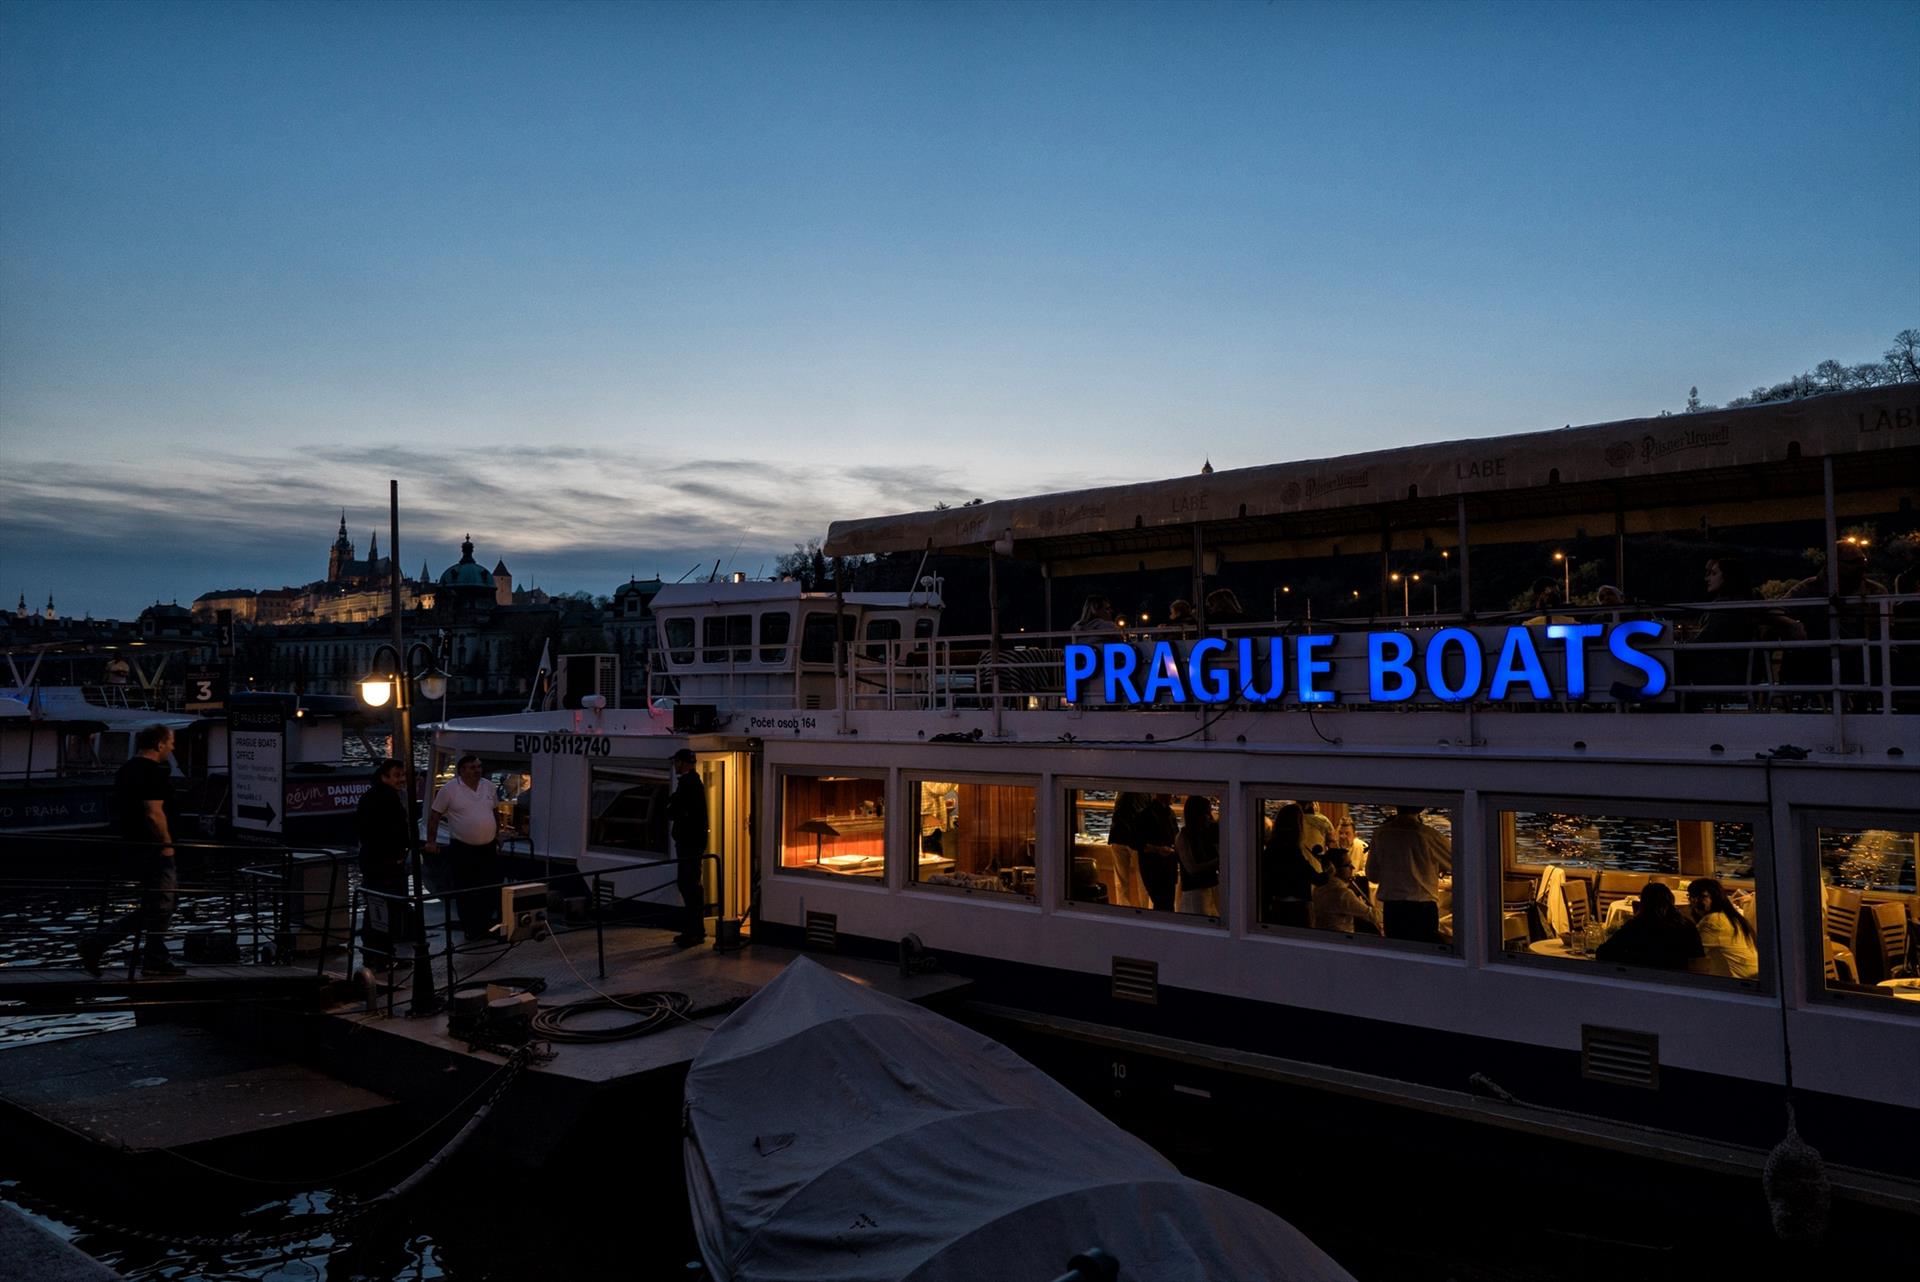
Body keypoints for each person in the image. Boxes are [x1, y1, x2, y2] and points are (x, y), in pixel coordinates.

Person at [80, 724, 182, 976]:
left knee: (157, 905)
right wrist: (167, 845)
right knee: (164, 903)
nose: (172, 748)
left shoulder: (126, 770)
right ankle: (152, 958)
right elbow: (153, 813)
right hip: (155, 849)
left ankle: (101, 944)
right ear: (159, 744)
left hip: (133, 845)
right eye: (170, 743)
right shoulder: (153, 772)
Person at [426, 754, 502, 942]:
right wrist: (431, 841)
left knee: (489, 887)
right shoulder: (449, 789)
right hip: (463, 848)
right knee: (466, 889)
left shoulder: (488, 786)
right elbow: (434, 816)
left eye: (478, 767)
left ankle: (486, 924)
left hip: (488, 847)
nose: (477, 770)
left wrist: (497, 834)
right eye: (472, 767)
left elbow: (495, 811)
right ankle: (471, 927)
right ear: (462, 770)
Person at [354, 758, 413, 964]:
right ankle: (380, 954)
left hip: (376, 860)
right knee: (384, 907)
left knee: (377, 906)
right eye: (397, 775)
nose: (401, 779)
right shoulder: (385, 799)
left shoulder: (374, 797)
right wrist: (400, 850)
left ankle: (377, 953)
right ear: (384, 777)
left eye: (402, 775)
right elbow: (391, 830)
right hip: (384, 863)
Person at [1368, 805, 1452, 943]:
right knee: (1424, 950)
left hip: (1393, 910)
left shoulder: (1380, 834)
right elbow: (1458, 862)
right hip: (1421, 909)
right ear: (1421, 808)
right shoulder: (1428, 835)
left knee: (1397, 950)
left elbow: (1372, 876)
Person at [1595, 881, 1705, 970]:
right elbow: (1698, 959)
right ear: (1671, 901)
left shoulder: (1636, 926)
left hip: (1643, 979)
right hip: (1678, 981)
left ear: (1643, 904)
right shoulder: (1686, 926)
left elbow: (1603, 953)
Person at [668, 748, 710, 947]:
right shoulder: (694, 783)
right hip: (693, 843)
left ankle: (694, 931)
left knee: (688, 885)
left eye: (676, 762)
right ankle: (694, 929)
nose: (675, 765)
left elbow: (674, 811)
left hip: (688, 844)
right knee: (691, 885)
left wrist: (671, 808)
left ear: (683, 763)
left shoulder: (688, 785)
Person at [1261, 803, 1328, 928]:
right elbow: (1316, 878)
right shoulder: (1292, 851)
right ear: (1298, 825)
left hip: (1276, 907)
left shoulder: (1271, 848)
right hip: (1297, 910)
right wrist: (1329, 872)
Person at [1110, 792, 1179, 911]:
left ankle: (1122, 911)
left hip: (1117, 836)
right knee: (1142, 881)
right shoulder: (1146, 795)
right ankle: (1145, 910)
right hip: (1136, 840)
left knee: (1121, 882)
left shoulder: (1122, 791)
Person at [1687, 877, 1759, 979]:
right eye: (1691, 896)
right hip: (1750, 977)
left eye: (1702, 896)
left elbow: (1689, 951)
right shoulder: (1733, 918)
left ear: (1715, 898)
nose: (1695, 901)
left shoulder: (1713, 921)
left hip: (1736, 982)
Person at [1312, 849, 1381, 935]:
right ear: (1334, 868)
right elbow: (1373, 916)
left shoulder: (1318, 888)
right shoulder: (1342, 893)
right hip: (1341, 939)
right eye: (1348, 865)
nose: (1353, 867)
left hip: (1322, 936)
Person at [1173, 794, 1220, 917]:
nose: (1209, 817)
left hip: (1211, 888)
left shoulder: (1205, 833)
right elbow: (1192, 868)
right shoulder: (1184, 837)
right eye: (1206, 813)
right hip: (1196, 892)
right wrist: (1218, 862)